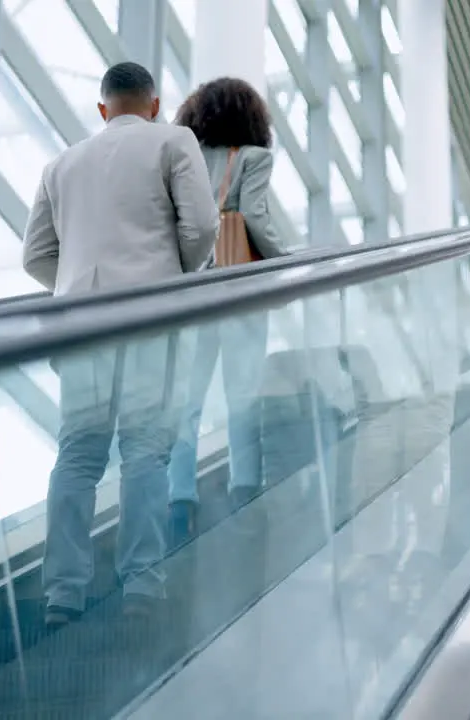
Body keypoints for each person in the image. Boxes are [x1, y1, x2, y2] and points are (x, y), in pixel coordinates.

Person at [23, 62, 219, 625]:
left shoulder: (61, 164)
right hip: (148, 319)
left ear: (103, 110)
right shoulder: (172, 139)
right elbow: (203, 226)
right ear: (154, 105)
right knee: (144, 450)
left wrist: (76, 289)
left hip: (81, 326)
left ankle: (62, 593)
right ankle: (141, 584)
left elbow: (35, 256)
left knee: (78, 455)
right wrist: (171, 276)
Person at [167, 77, 287, 547]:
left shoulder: (186, 158)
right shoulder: (254, 159)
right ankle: (245, 495)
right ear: (252, 118)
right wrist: (284, 263)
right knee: (242, 397)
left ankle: (180, 503)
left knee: (187, 403)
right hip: (240, 291)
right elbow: (254, 216)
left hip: (193, 293)